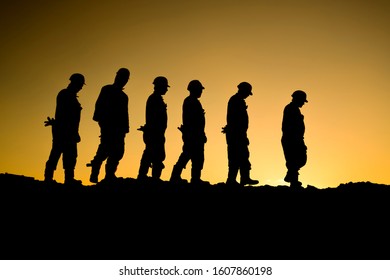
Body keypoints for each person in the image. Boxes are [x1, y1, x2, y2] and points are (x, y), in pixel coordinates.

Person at [87, 68, 130, 183]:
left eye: (125, 78)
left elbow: (124, 113)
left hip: (119, 128)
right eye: (122, 77)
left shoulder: (124, 96)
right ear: (117, 76)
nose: (123, 80)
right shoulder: (107, 89)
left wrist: (125, 128)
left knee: (118, 152)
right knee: (105, 149)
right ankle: (95, 173)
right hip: (108, 126)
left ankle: (110, 175)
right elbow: (99, 105)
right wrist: (102, 122)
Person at [44, 73, 85, 185]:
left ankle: (69, 179)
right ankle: (48, 178)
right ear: (74, 83)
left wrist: (75, 132)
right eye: (80, 84)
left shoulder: (71, 97)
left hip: (69, 131)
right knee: (56, 153)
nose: (81, 87)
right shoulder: (65, 95)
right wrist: (59, 124)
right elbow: (64, 114)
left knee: (70, 156)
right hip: (63, 131)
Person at [170, 80, 208, 185]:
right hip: (193, 135)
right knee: (187, 155)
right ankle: (176, 177)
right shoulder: (191, 102)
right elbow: (193, 121)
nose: (201, 92)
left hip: (195, 135)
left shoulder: (193, 101)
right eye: (200, 89)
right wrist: (195, 134)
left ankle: (194, 178)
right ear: (194, 90)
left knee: (197, 158)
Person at [222, 82, 259, 186]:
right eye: (247, 92)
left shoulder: (238, 100)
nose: (248, 95)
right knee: (235, 157)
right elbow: (235, 120)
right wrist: (241, 135)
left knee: (243, 157)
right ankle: (232, 180)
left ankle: (244, 178)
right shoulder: (236, 100)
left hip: (238, 133)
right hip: (236, 134)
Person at [137, 76, 169, 182]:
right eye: (165, 87)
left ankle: (149, 177)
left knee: (155, 155)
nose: (166, 89)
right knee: (153, 154)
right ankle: (145, 176)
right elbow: (154, 118)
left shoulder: (156, 99)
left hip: (157, 132)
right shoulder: (154, 99)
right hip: (154, 133)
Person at [281, 90, 308, 188]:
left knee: (299, 160)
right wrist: (297, 140)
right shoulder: (291, 109)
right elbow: (290, 127)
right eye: (302, 101)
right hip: (292, 139)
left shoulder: (294, 109)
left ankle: (291, 177)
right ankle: (293, 181)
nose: (303, 104)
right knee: (295, 160)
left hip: (295, 138)